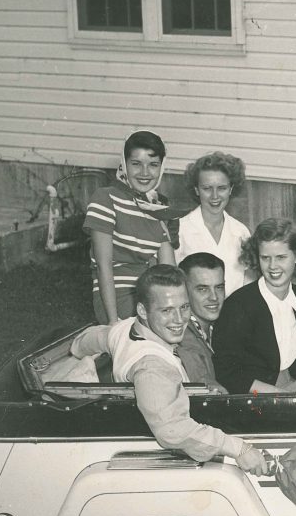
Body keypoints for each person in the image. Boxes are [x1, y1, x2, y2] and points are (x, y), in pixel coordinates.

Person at [70, 265, 268, 474]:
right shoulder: (152, 367)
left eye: (184, 307)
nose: (179, 319)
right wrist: (240, 449)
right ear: (142, 310)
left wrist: (78, 354)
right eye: (166, 310)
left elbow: (84, 341)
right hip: (161, 459)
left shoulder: (124, 328)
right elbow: (172, 429)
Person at [212, 219, 296, 394]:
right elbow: (227, 373)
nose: (272, 266)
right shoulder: (239, 304)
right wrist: (279, 396)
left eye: (281, 257)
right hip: (256, 398)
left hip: (292, 386)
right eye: (265, 258)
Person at [83, 130, 177, 324]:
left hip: (151, 293)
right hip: (117, 295)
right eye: (136, 164)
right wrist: (113, 321)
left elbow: (168, 269)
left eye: (153, 165)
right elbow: (103, 265)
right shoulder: (105, 198)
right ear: (124, 165)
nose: (145, 173)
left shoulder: (156, 205)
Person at [175, 151, 252, 296]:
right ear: (197, 190)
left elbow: (247, 282)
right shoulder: (181, 229)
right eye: (207, 188)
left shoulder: (241, 232)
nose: (215, 196)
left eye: (222, 188)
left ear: (231, 189)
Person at [178, 252, 229, 393]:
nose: (214, 297)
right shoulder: (181, 332)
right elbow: (201, 379)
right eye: (202, 289)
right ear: (184, 290)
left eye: (219, 287)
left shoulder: (222, 325)